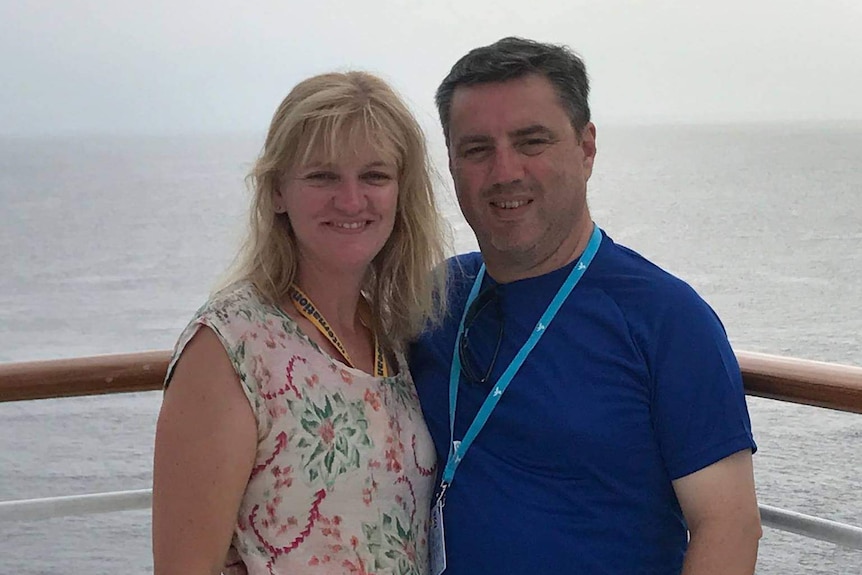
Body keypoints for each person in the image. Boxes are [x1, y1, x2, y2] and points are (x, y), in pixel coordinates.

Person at [409, 37, 761, 574]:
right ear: (452, 162)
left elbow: (729, 525)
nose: (505, 172)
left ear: (586, 147)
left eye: (532, 142)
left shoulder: (665, 319)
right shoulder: (435, 300)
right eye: (477, 148)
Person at [152, 71, 448, 575]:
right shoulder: (231, 347)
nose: (351, 200)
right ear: (276, 192)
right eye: (322, 176)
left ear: (401, 193)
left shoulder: (393, 333)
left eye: (374, 176)